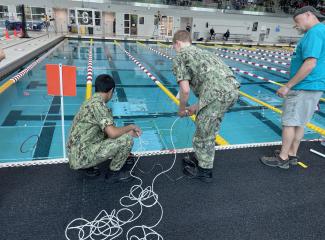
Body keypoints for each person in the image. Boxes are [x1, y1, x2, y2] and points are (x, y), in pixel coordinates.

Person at [260, 6, 325, 169]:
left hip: (303, 86)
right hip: (314, 86)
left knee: (289, 122)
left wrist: (288, 86)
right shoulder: (321, 30)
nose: (296, 25)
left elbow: (310, 63)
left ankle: (282, 158)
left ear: (309, 15)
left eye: (297, 21)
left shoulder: (314, 32)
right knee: (300, 123)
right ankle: (292, 154)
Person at [172, 30, 240, 182]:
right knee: (209, 127)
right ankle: (201, 159)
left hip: (215, 94)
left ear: (177, 43)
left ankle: (205, 171)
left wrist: (182, 109)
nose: (174, 50)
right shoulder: (205, 53)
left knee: (203, 133)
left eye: (174, 47)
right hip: (233, 91)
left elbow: (185, 89)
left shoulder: (180, 56)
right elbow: (213, 81)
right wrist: (197, 106)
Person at [67, 74, 142, 182]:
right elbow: (112, 133)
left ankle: (88, 166)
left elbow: (104, 132)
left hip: (75, 153)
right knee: (127, 140)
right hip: (80, 157)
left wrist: (126, 132)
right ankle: (113, 174)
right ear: (111, 90)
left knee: (114, 134)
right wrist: (130, 127)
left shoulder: (90, 101)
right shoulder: (99, 106)